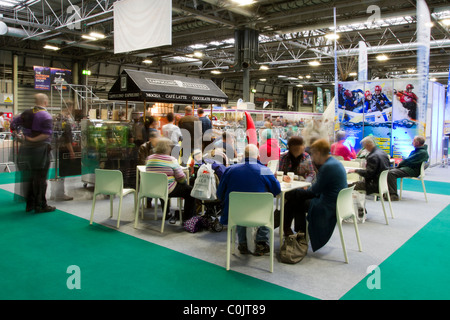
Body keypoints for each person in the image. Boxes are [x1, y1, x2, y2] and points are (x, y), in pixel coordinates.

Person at [283, 139, 347, 252]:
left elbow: (314, 191)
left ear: (318, 153)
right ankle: (297, 232)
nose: (312, 158)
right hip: (338, 202)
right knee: (296, 198)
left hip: (328, 204)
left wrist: (295, 193)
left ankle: (298, 233)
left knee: (296, 200)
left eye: (313, 154)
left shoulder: (328, 167)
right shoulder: (334, 163)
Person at [217, 144, 281, 256]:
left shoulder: (230, 170)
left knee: (240, 207)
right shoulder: (264, 170)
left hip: (235, 214)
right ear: (258, 157)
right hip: (259, 215)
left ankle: (242, 243)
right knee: (267, 206)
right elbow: (276, 190)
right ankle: (261, 242)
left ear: (243, 157)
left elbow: (219, 194)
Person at [10, 93, 56, 213]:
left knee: (29, 177)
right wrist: (32, 139)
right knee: (40, 178)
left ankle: (29, 204)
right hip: (40, 151)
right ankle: (40, 205)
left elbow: (13, 124)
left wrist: (20, 136)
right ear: (45, 102)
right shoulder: (46, 116)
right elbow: (46, 134)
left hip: (26, 150)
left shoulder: (26, 113)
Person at [145, 138, 196, 224]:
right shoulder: (171, 159)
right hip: (167, 189)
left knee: (162, 184)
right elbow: (181, 178)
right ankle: (188, 219)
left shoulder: (149, 159)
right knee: (190, 191)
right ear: (168, 148)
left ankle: (166, 213)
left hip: (153, 189)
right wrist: (183, 182)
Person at [387, 136, 429, 200]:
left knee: (391, 173)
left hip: (412, 170)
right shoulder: (419, 151)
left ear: (417, 143)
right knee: (386, 170)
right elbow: (409, 161)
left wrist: (399, 164)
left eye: (413, 141)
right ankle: (384, 192)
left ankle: (393, 195)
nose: (412, 142)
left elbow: (408, 161)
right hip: (408, 168)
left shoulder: (422, 153)